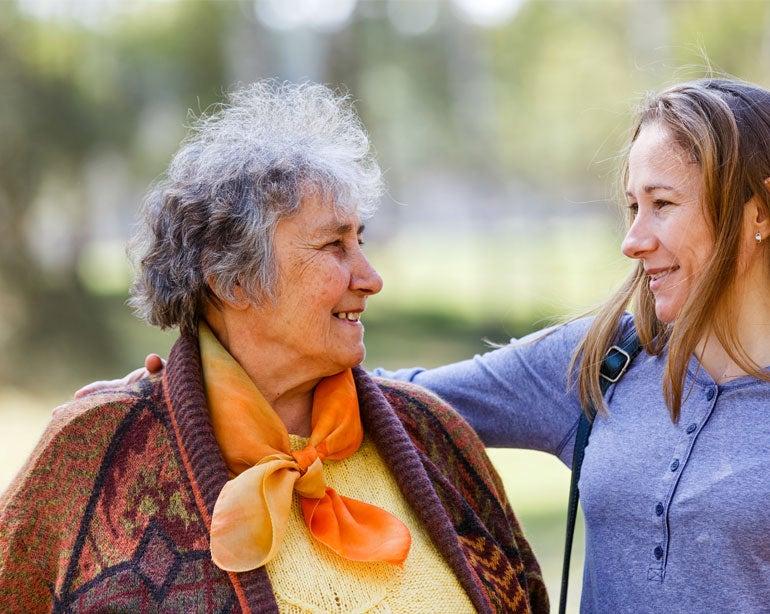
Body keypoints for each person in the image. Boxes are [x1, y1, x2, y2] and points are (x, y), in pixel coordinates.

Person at [92, 77, 770, 613]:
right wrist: (186, 391)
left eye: (663, 205)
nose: (633, 239)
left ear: (759, 211)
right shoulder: (604, 361)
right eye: (632, 206)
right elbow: (402, 402)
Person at [0, 82, 548, 613]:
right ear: (232, 280)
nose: (371, 278)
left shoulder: (435, 436)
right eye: (334, 245)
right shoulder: (96, 450)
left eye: (360, 240)